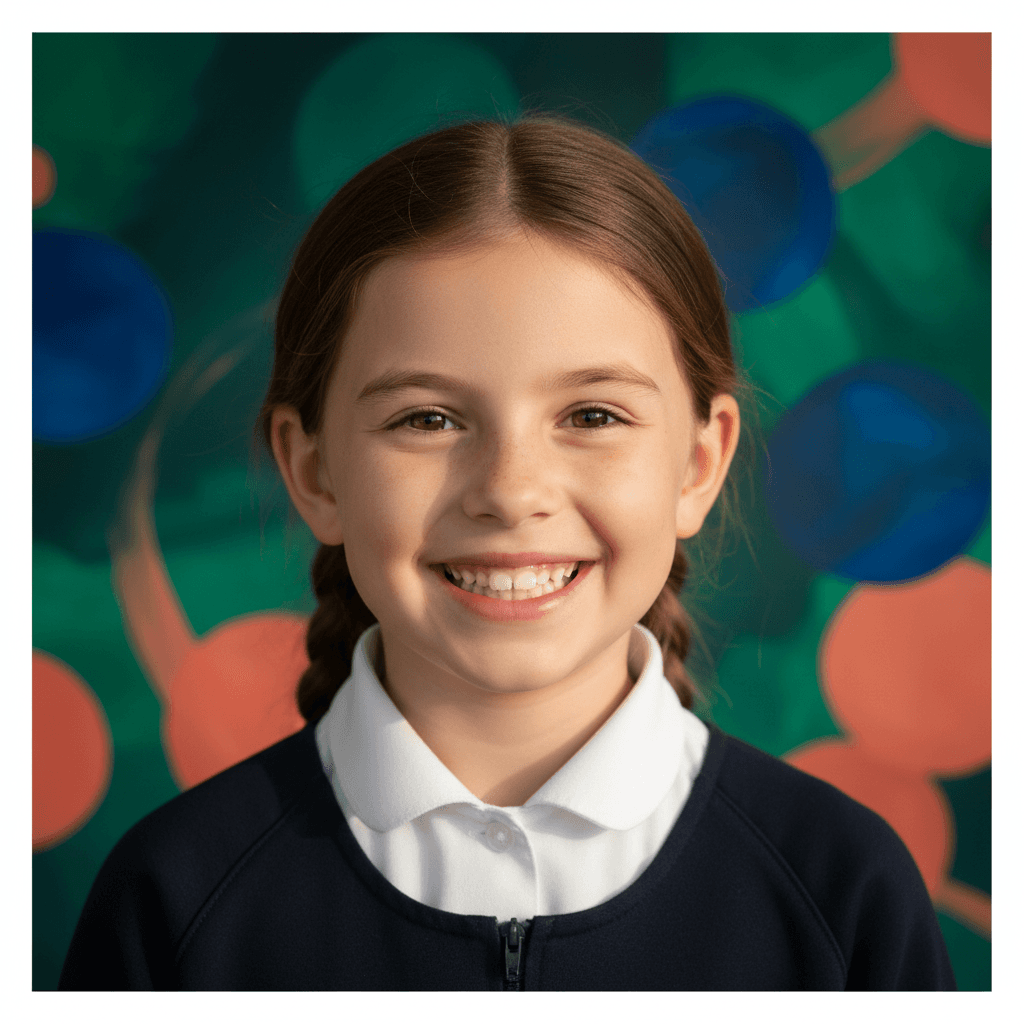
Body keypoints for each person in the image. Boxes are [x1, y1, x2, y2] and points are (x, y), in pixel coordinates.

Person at [59, 114, 955, 991]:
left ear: (698, 463)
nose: (511, 490)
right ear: (314, 471)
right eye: (427, 419)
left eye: (593, 415)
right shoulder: (173, 901)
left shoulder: (844, 894)